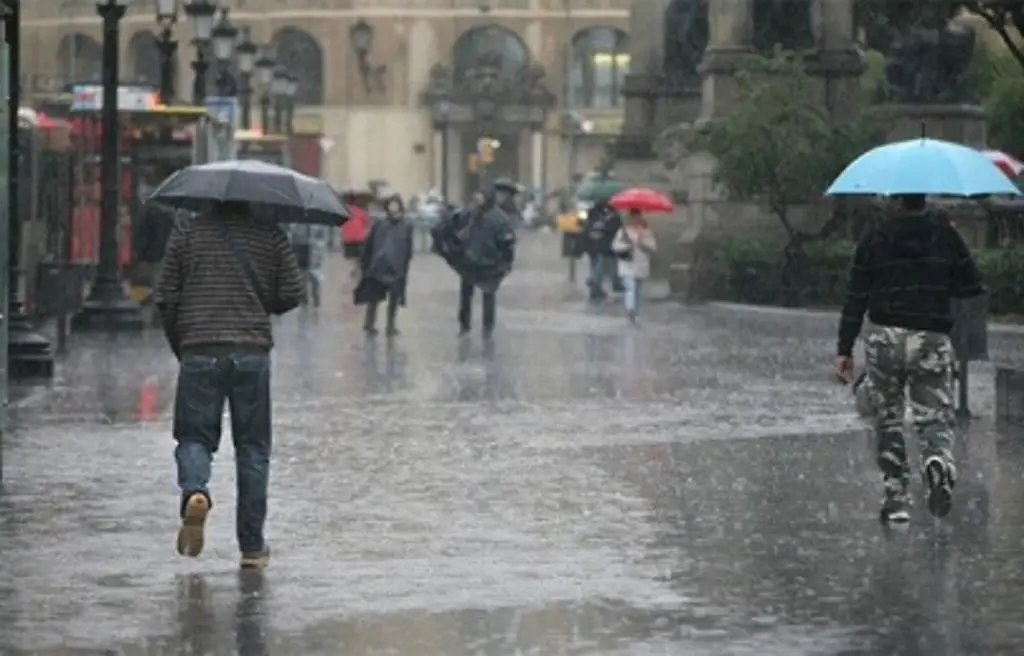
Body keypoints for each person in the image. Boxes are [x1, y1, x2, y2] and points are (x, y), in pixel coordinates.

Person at [152, 199, 304, 569]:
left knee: (193, 437)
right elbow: (292, 294)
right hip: (250, 352)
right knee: (253, 448)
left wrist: (182, 342)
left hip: (199, 349)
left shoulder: (187, 233)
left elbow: (164, 296)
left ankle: (195, 491)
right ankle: (252, 547)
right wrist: (258, 299)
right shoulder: (270, 235)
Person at [834, 193, 984, 524]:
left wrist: (844, 348)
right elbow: (971, 285)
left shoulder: (875, 235)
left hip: (884, 336)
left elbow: (856, 296)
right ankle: (936, 462)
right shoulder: (945, 234)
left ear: (896, 198)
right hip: (930, 335)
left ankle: (896, 497)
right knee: (933, 414)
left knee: (887, 416)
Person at [432, 185, 515, 338]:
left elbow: (507, 243)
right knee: (465, 294)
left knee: (488, 295)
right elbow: (455, 223)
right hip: (469, 261)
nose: (478, 198)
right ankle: (464, 324)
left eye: (481, 195)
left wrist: (505, 263)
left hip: (489, 263)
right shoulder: (471, 213)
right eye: (477, 194)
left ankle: (487, 327)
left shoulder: (499, 218)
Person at [356, 194, 414, 336]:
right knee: (374, 297)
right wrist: (367, 262)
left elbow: (408, 247)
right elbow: (370, 244)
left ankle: (391, 325)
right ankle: (369, 323)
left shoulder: (406, 225)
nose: (393, 207)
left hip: (396, 266)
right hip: (379, 265)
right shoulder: (380, 224)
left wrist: (404, 264)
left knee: (394, 298)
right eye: (390, 204)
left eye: (395, 204)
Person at [611, 210, 657, 323]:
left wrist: (643, 243)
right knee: (630, 287)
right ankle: (630, 310)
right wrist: (627, 245)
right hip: (627, 264)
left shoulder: (646, 232)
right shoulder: (623, 231)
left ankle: (636, 309)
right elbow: (615, 247)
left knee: (638, 289)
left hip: (641, 264)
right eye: (633, 217)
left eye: (637, 217)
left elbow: (652, 248)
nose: (635, 220)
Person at [582, 201, 622, 300]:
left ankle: (596, 284)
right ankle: (596, 285)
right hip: (601, 248)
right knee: (600, 268)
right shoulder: (602, 219)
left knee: (599, 267)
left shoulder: (600, 219)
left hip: (598, 247)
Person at [289, 223, 329, 307]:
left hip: (313, 253)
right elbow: (293, 240)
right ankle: (304, 298)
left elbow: (321, 239)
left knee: (314, 277)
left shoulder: (317, 225)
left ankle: (315, 295)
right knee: (302, 277)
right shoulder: (296, 225)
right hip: (301, 252)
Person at [341, 191, 371, 279]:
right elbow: (367, 224)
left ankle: (353, 271)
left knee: (351, 259)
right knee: (359, 258)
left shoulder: (344, 211)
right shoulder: (362, 212)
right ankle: (358, 273)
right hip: (360, 238)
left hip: (347, 238)